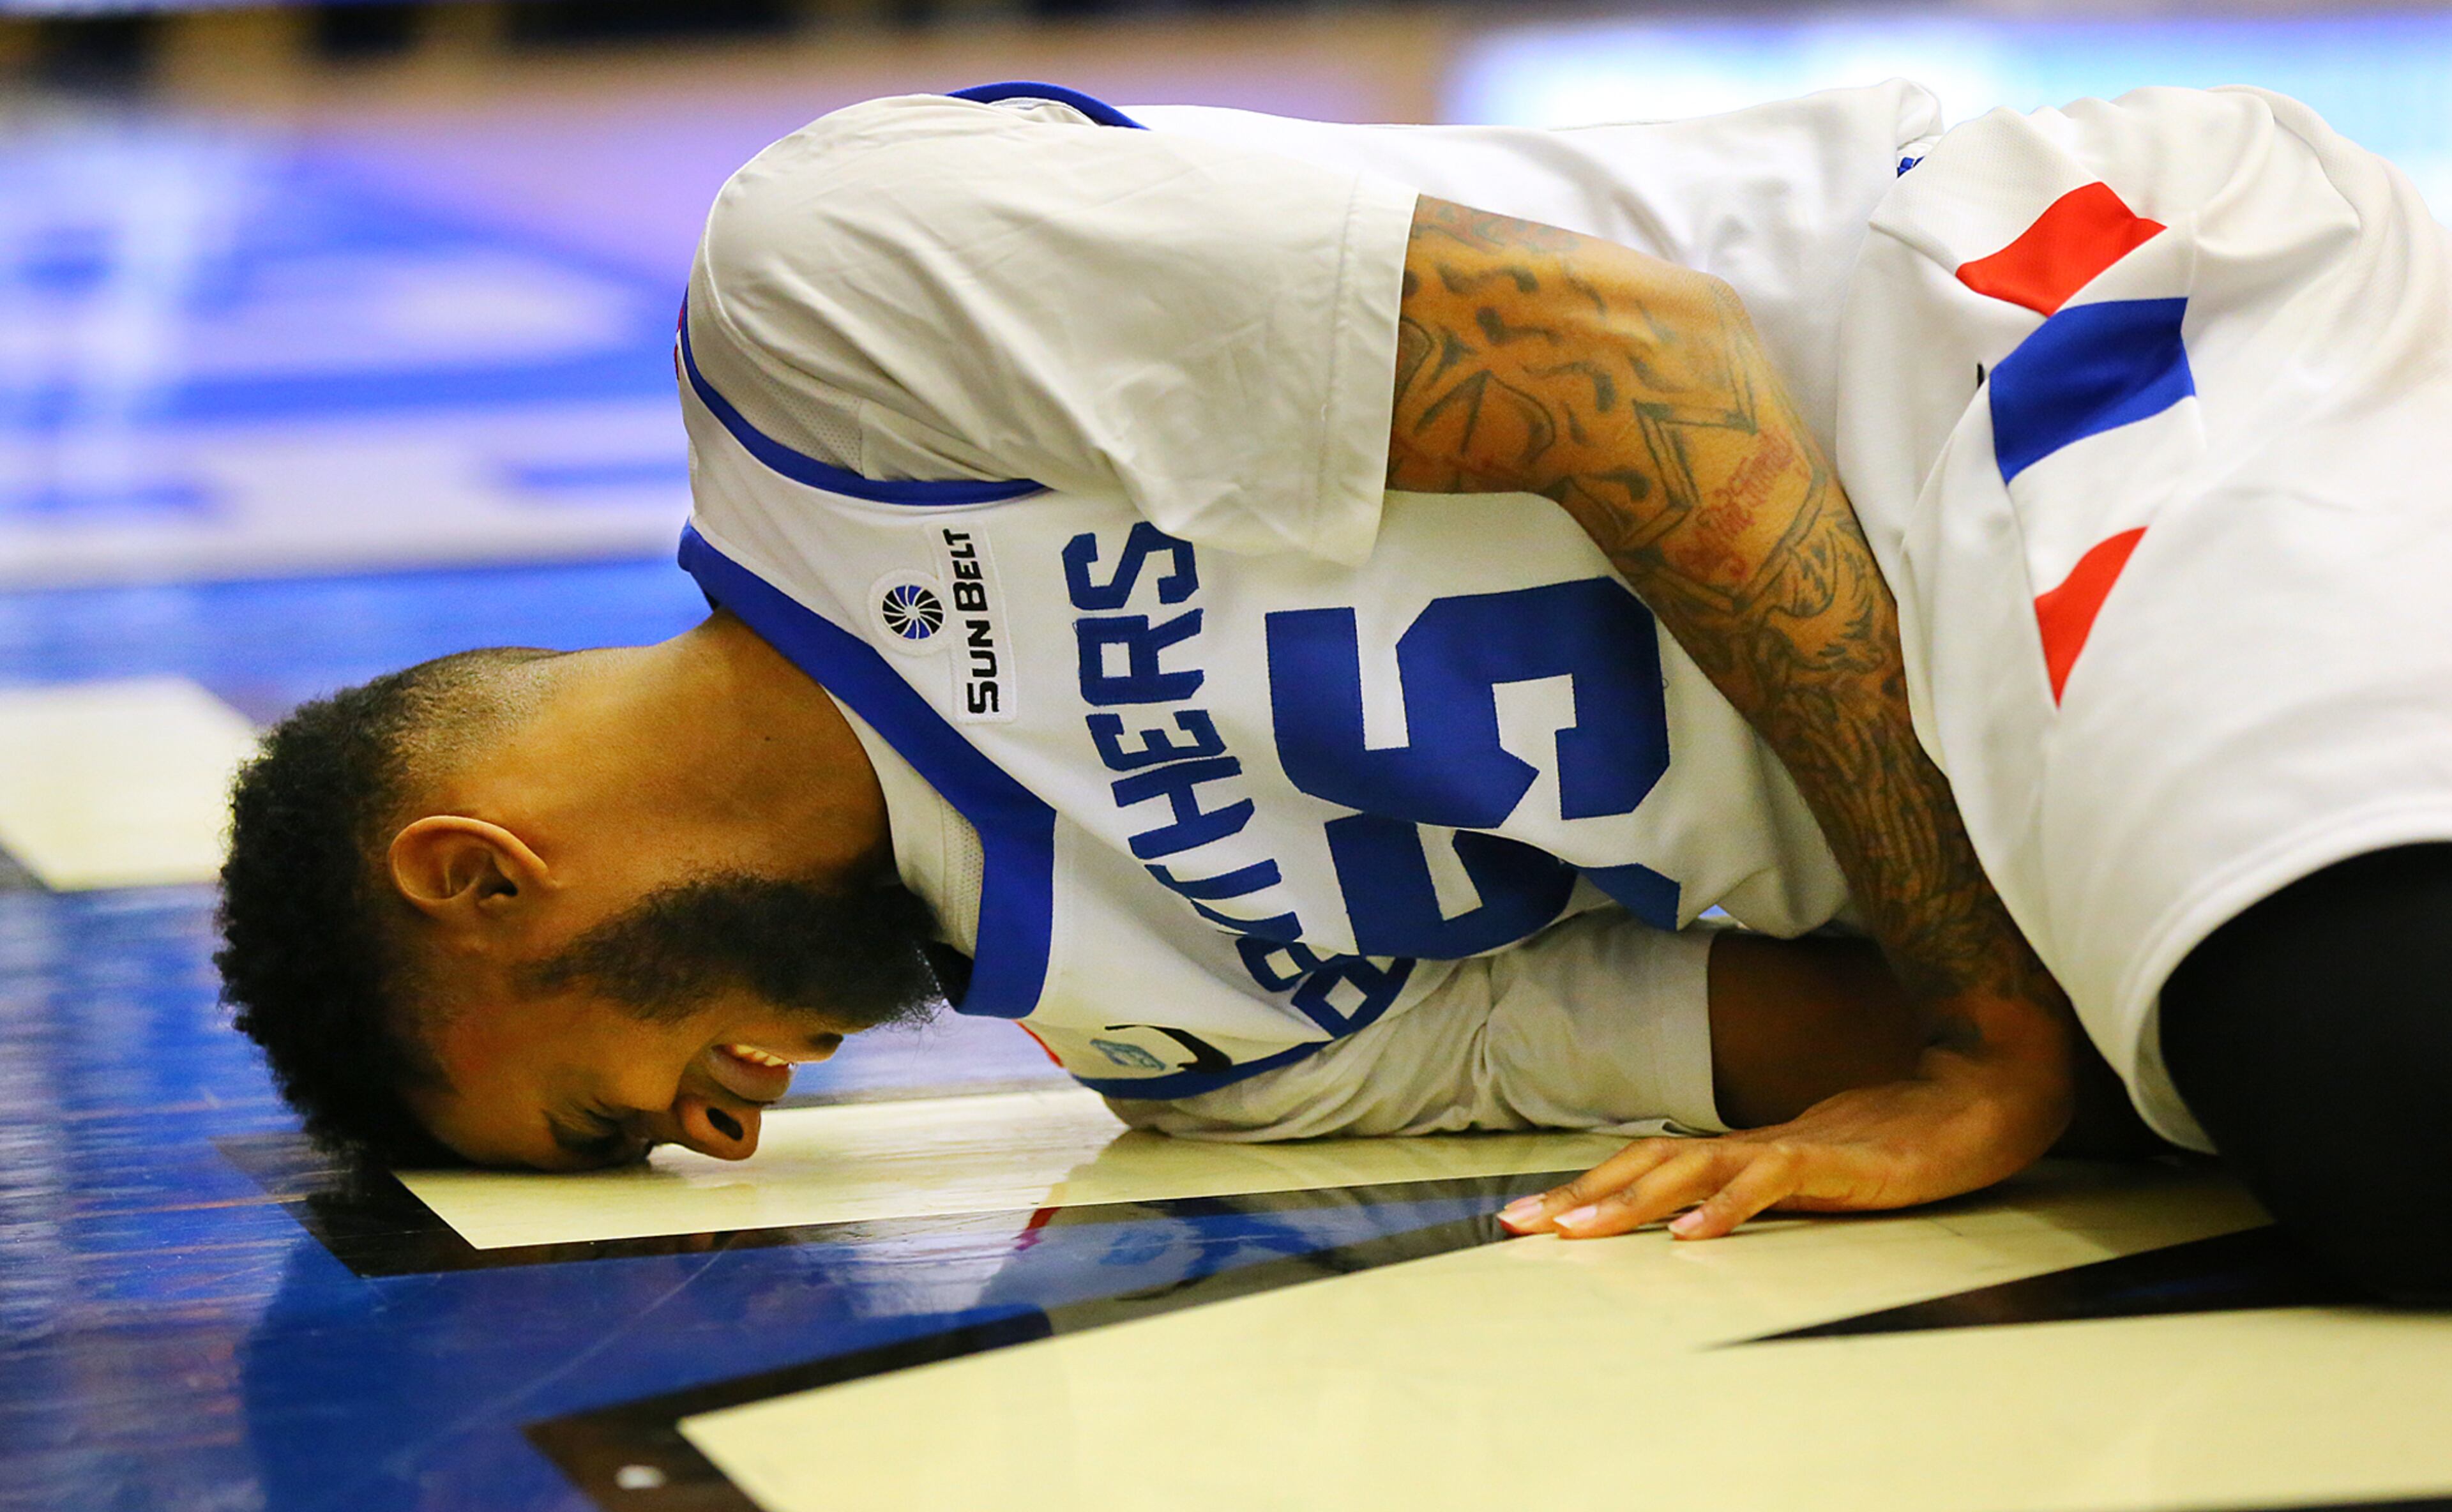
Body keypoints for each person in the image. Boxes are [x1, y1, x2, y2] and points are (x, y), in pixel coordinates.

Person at [215, 79, 2450, 1299]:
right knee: (2274, 1103)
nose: (728, 1137)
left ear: (477, 870)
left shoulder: (823, 333)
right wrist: (1970, 1055)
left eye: (615, 1115)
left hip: (2025, 373)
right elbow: (1802, 1038)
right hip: (2044, 760)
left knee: (2376, 1100)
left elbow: (1632, 370)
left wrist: (1984, 1028)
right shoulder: (1191, 1060)